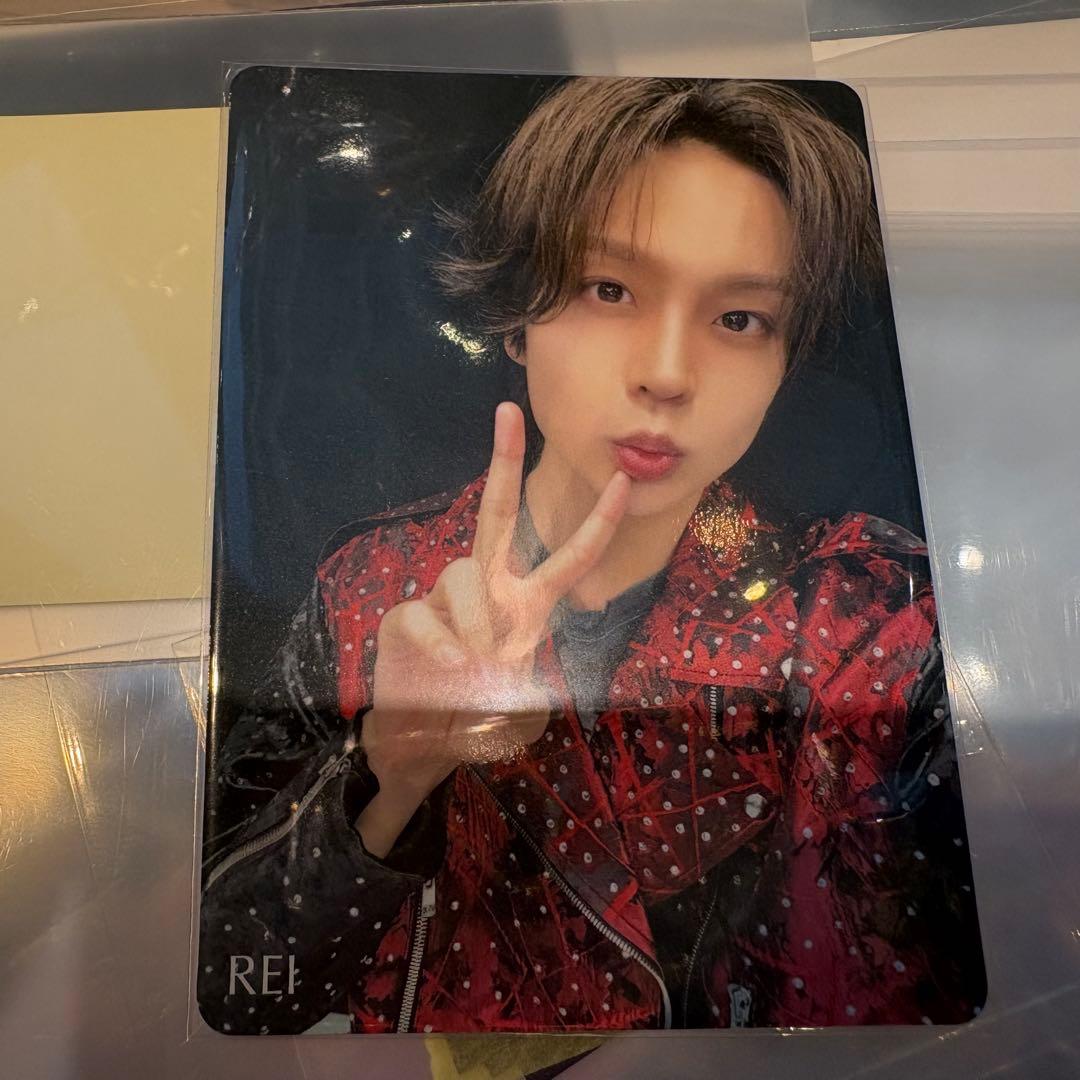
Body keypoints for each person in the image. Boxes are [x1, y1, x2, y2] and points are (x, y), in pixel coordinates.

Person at [198, 77, 984, 1034]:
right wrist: (394, 765)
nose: (666, 373)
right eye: (609, 289)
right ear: (518, 318)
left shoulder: (862, 617)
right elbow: (230, 990)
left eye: (740, 319)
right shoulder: (374, 585)